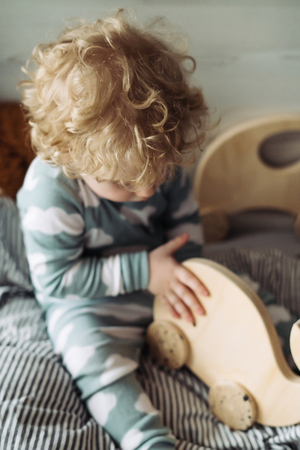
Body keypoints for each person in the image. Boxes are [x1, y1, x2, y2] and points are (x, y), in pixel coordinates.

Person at [17, 9, 209, 449]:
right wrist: (145, 272)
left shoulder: (156, 156)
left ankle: (284, 346)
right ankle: (146, 438)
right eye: (123, 182)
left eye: (156, 173)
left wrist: (190, 273)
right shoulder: (51, 192)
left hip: (162, 276)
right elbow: (57, 280)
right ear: (70, 157)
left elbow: (184, 224)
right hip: (89, 298)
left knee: (236, 292)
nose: (145, 190)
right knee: (91, 356)